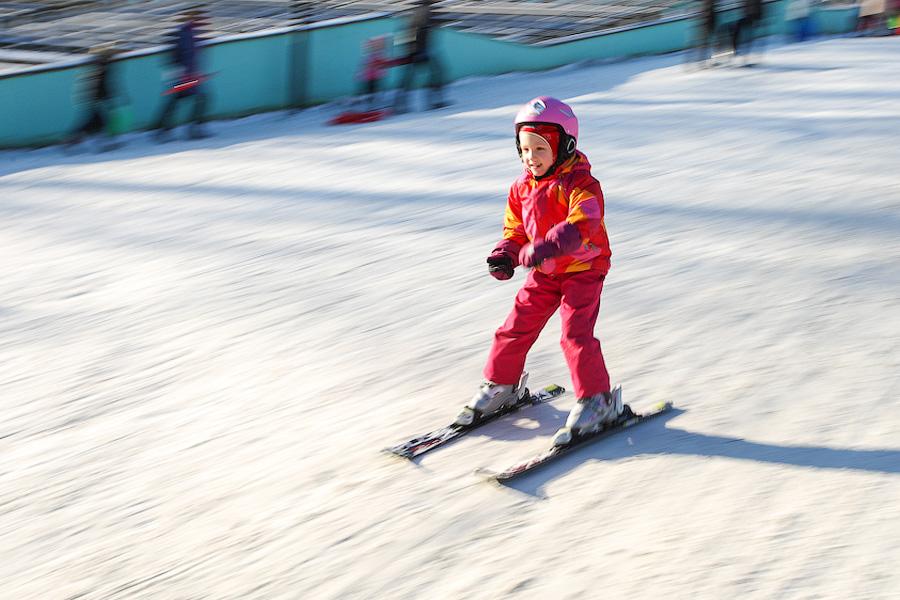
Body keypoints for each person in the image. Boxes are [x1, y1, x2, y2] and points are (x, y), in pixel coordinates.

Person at [455, 96, 619, 447]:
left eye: (541, 148)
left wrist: (547, 244)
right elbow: (515, 230)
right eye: (525, 149)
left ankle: (597, 401)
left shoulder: (583, 185)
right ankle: (502, 385)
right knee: (514, 327)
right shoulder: (521, 188)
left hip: (583, 269)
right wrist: (506, 254)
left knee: (575, 336)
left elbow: (583, 222)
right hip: (545, 272)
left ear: (566, 146)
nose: (531, 157)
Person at [153, 8, 211, 140]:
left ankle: (162, 130)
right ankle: (193, 129)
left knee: (175, 102)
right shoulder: (185, 34)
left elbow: (190, 56)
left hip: (186, 76)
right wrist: (183, 75)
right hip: (184, 77)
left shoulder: (190, 33)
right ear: (194, 20)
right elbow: (182, 56)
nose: (203, 22)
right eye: (201, 19)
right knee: (201, 99)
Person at [66, 43, 122, 151]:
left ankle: (74, 140)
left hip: (96, 97)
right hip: (96, 97)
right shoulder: (102, 65)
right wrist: (106, 96)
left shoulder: (100, 64)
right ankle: (97, 142)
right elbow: (102, 83)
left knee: (94, 122)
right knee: (98, 121)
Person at [394, 0, 447, 113]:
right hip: (419, 51)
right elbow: (418, 31)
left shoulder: (418, 13)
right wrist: (416, 51)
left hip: (417, 50)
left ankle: (401, 105)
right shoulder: (423, 13)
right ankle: (434, 101)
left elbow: (407, 32)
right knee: (436, 73)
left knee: (409, 78)